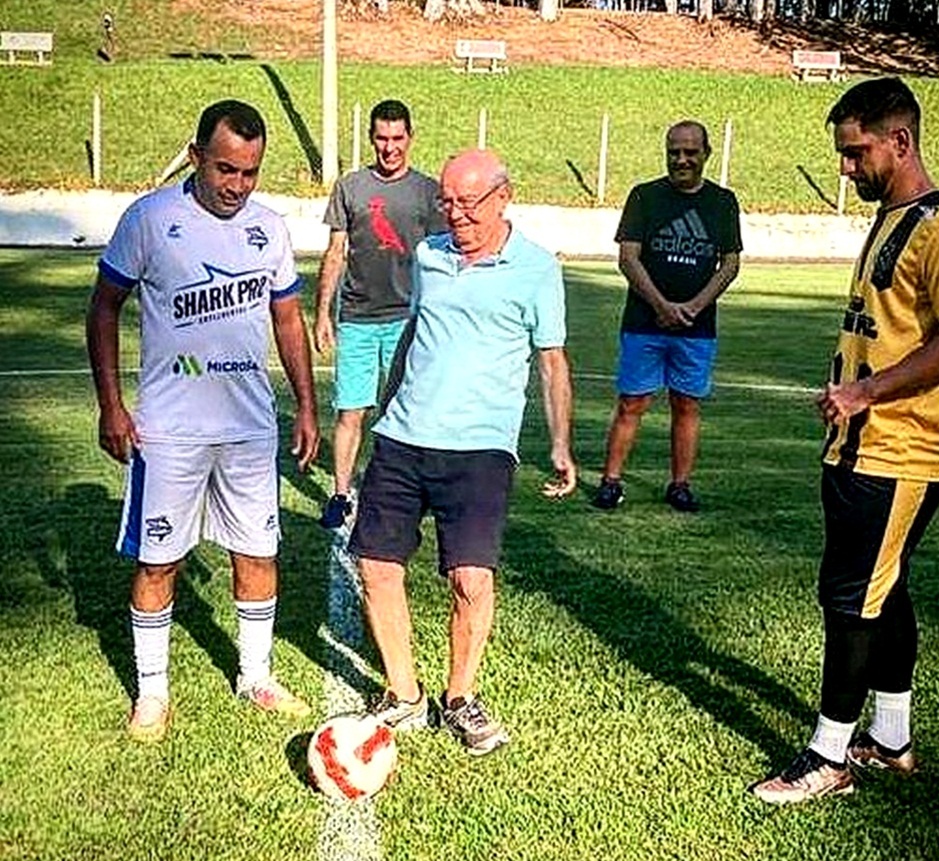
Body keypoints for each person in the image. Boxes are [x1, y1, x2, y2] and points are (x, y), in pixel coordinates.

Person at [753, 78, 939, 805]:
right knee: (884, 591)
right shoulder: (892, 217)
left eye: (857, 153)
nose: (847, 168)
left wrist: (865, 392)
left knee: (851, 596)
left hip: (901, 451)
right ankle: (890, 738)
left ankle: (829, 756)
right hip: (861, 446)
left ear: (901, 141)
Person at [86, 99, 320, 743]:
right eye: (225, 170)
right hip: (168, 432)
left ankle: (256, 676)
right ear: (196, 157)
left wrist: (304, 404)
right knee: (159, 562)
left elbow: (288, 319)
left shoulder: (269, 229)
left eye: (249, 173)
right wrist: (111, 403)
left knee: (259, 551)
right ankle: (153, 694)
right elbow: (104, 308)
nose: (237, 186)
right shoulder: (151, 219)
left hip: (248, 430)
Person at [348, 148, 577, 756]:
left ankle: (460, 698)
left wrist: (559, 443)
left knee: (470, 578)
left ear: (504, 196)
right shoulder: (427, 256)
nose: (455, 215)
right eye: (445, 202)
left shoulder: (535, 269)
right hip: (403, 435)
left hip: (480, 447)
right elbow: (415, 335)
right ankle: (404, 695)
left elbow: (552, 362)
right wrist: (384, 406)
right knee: (376, 566)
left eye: (467, 203)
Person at [593, 120, 741, 513]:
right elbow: (628, 257)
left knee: (687, 405)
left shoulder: (723, 202)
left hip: (697, 328)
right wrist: (660, 305)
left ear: (706, 154)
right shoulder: (644, 196)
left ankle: (679, 485)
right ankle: (611, 480)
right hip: (644, 323)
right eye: (674, 151)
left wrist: (693, 307)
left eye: (690, 152)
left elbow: (729, 263)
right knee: (631, 403)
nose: (682, 159)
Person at [313, 99, 445, 530]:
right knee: (351, 410)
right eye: (381, 138)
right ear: (371, 138)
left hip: (409, 322)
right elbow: (335, 252)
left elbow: (444, 260)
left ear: (411, 137)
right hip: (357, 319)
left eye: (397, 138)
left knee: (401, 411)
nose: (389, 147)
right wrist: (322, 315)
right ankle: (339, 493)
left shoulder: (428, 192)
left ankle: (393, 491)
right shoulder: (350, 187)